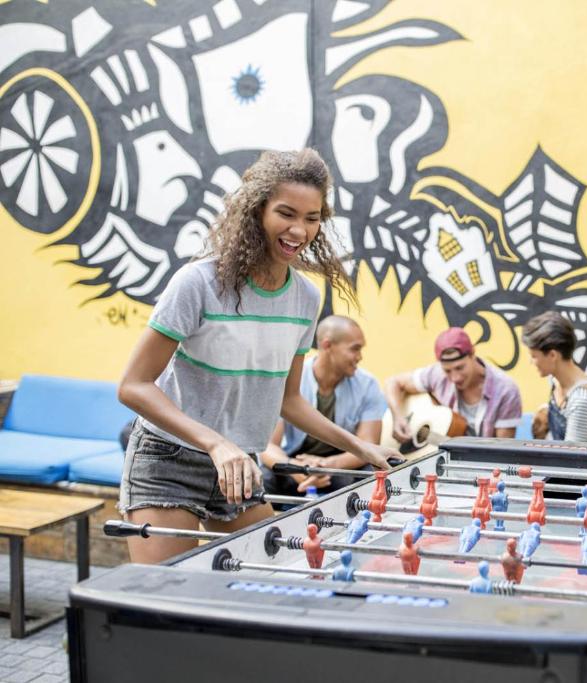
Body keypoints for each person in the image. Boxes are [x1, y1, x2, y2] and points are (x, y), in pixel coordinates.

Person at [117, 149, 401, 565]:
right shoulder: (198, 283)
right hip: (169, 461)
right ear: (256, 210)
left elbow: (289, 400)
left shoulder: (305, 297)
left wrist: (361, 446)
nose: (299, 230)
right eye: (286, 213)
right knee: (164, 602)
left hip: (239, 468)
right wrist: (216, 444)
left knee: (270, 579)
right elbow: (133, 386)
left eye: (312, 217)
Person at [260, 315, 388, 497]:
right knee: (261, 476)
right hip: (293, 465)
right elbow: (267, 446)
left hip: (338, 468)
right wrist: (297, 468)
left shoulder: (368, 384)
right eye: (355, 349)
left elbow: (369, 447)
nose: (360, 357)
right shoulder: (288, 380)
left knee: (372, 473)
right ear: (327, 346)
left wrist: (326, 465)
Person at [384, 327, 522, 441]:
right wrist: (398, 418)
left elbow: (503, 450)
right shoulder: (436, 374)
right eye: (447, 371)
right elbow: (393, 382)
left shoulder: (506, 390)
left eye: (460, 368)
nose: (455, 378)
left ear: (472, 354)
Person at [521, 311, 587, 443]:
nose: (531, 362)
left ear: (552, 355)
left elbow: (570, 458)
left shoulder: (581, 400)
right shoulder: (555, 379)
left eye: (534, 356)